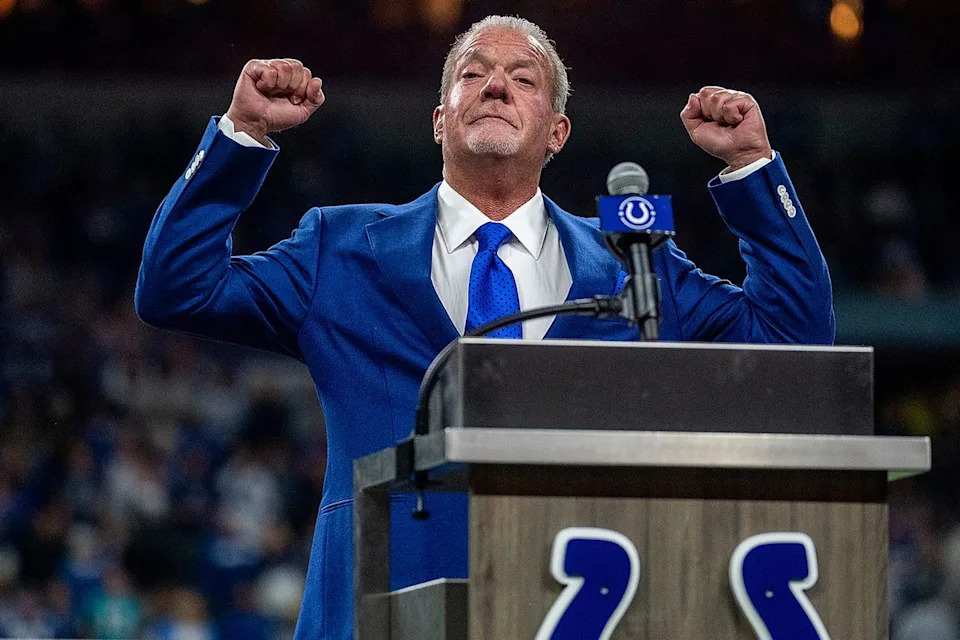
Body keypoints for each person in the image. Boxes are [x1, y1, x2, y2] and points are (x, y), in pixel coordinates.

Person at [135, 15, 834, 639]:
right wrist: (243, 135)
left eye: (522, 77)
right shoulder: (340, 248)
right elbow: (177, 288)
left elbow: (793, 341)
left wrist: (750, 168)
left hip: (571, 610)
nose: (495, 85)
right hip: (379, 607)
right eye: (473, 73)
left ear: (556, 132)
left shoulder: (637, 263)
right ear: (441, 119)